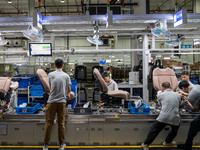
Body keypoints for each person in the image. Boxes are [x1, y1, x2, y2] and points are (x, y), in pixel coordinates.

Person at [141, 82, 181, 150]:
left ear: (162, 88)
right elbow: (179, 104)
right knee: (174, 130)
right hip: (175, 117)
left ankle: (145, 144)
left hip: (164, 117)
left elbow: (160, 104)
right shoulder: (178, 95)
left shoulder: (160, 95)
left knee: (154, 130)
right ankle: (167, 142)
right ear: (170, 87)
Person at [43, 59, 71, 150]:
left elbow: (50, 88)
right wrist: (64, 95)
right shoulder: (66, 76)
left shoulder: (50, 75)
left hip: (51, 102)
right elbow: (69, 90)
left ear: (54, 65)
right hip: (62, 102)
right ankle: (61, 144)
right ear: (63, 66)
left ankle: (46, 145)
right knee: (61, 124)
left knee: (48, 123)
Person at [177, 80, 200, 150]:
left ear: (183, 88)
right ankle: (187, 145)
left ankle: (187, 146)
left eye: (182, 90)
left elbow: (196, 109)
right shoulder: (196, 86)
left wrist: (186, 102)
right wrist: (184, 94)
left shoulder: (191, 96)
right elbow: (194, 94)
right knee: (194, 124)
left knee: (194, 125)